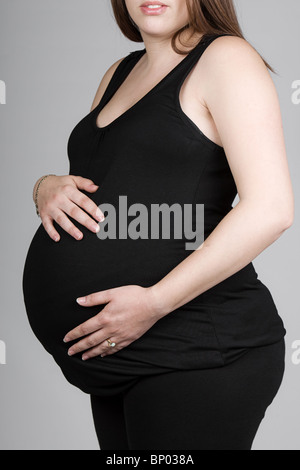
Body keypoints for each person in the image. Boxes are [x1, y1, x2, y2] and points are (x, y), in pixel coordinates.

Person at [22, 0, 294, 450]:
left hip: (194, 352)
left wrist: (153, 304)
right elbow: (100, 184)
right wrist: (44, 186)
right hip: (118, 356)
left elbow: (271, 208)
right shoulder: (119, 73)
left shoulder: (224, 58)